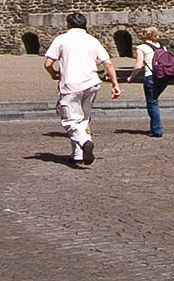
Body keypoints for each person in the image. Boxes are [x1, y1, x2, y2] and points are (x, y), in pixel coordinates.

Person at [43, 12, 120, 166]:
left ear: (69, 25)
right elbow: (108, 63)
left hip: (71, 85)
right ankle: (77, 154)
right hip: (91, 84)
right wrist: (115, 84)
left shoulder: (62, 39)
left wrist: (53, 74)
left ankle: (85, 142)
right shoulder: (92, 40)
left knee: (70, 120)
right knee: (83, 119)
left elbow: (48, 63)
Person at [128, 25, 168, 137]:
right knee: (154, 101)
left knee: (152, 103)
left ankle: (157, 130)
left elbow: (138, 66)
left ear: (145, 35)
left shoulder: (142, 47)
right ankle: (155, 128)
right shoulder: (162, 47)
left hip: (150, 77)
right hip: (163, 77)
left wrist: (131, 77)